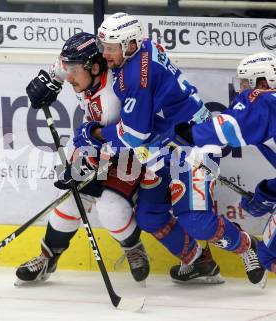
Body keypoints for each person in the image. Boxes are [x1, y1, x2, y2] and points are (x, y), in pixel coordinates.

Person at [73, 12, 266, 284]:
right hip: (164, 147)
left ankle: (248, 245)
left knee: (197, 220)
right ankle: (199, 260)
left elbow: (132, 136)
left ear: (129, 45)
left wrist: (92, 133)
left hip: (194, 147)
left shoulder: (136, 78)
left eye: (111, 48)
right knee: (150, 216)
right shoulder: (142, 48)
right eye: (104, 47)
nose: (105, 54)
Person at [15, 32, 149, 285]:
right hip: (93, 140)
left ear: (95, 67)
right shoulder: (84, 71)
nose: (70, 77)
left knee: (111, 209)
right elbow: (61, 67)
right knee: (68, 201)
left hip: (126, 151)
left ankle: (133, 247)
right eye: (69, 70)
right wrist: (51, 80)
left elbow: (118, 139)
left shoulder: (112, 95)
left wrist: (91, 164)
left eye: (74, 71)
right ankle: (48, 257)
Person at [170, 52, 276, 274]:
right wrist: (268, 192)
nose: (241, 89)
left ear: (263, 82)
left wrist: (193, 134)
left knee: (269, 253)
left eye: (246, 82)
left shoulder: (265, 99)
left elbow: (230, 125)